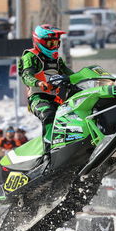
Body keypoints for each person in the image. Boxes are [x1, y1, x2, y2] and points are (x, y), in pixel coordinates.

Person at [18, 24, 74, 153]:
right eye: (50, 43)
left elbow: (72, 75)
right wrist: (38, 83)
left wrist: (86, 78)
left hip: (58, 97)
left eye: (56, 43)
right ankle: (49, 154)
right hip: (38, 97)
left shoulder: (58, 61)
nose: (54, 47)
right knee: (49, 115)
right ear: (39, 42)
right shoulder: (31, 57)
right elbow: (26, 75)